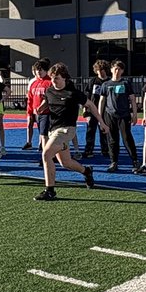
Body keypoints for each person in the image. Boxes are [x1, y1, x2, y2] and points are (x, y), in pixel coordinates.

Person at [33, 63, 109, 201]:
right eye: (52, 78)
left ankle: (50, 190)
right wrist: (40, 108)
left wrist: (102, 122)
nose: (53, 81)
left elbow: (91, 105)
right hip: (53, 130)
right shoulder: (50, 91)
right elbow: (47, 101)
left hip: (67, 129)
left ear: (64, 79)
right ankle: (86, 171)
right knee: (66, 163)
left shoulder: (73, 93)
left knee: (46, 154)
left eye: (56, 78)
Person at [99, 60, 140, 173]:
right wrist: (100, 117)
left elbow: (132, 99)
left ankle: (135, 161)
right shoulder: (106, 84)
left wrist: (134, 114)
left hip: (124, 115)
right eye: (115, 68)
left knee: (127, 138)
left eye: (120, 69)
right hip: (109, 115)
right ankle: (114, 162)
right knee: (112, 139)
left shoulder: (126, 83)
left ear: (122, 71)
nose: (117, 71)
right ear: (111, 69)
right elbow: (102, 101)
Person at [82, 59, 111, 159]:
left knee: (104, 130)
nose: (100, 71)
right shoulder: (93, 81)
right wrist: (85, 109)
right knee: (90, 130)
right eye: (98, 69)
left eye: (102, 69)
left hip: (105, 110)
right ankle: (89, 149)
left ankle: (105, 149)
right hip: (92, 109)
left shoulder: (109, 82)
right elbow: (87, 95)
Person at [22, 60, 52, 150]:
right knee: (42, 133)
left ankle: (46, 154)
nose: (38, 72)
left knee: (44, 134)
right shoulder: (34, 83)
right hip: (36, 113)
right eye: (37, 70)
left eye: (41, 70)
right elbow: (30, 100)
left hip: (47, 112)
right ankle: (47, 152)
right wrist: (30, 112)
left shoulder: (49, 82)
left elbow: (49, 99)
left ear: (45, 70)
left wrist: (42, 107)